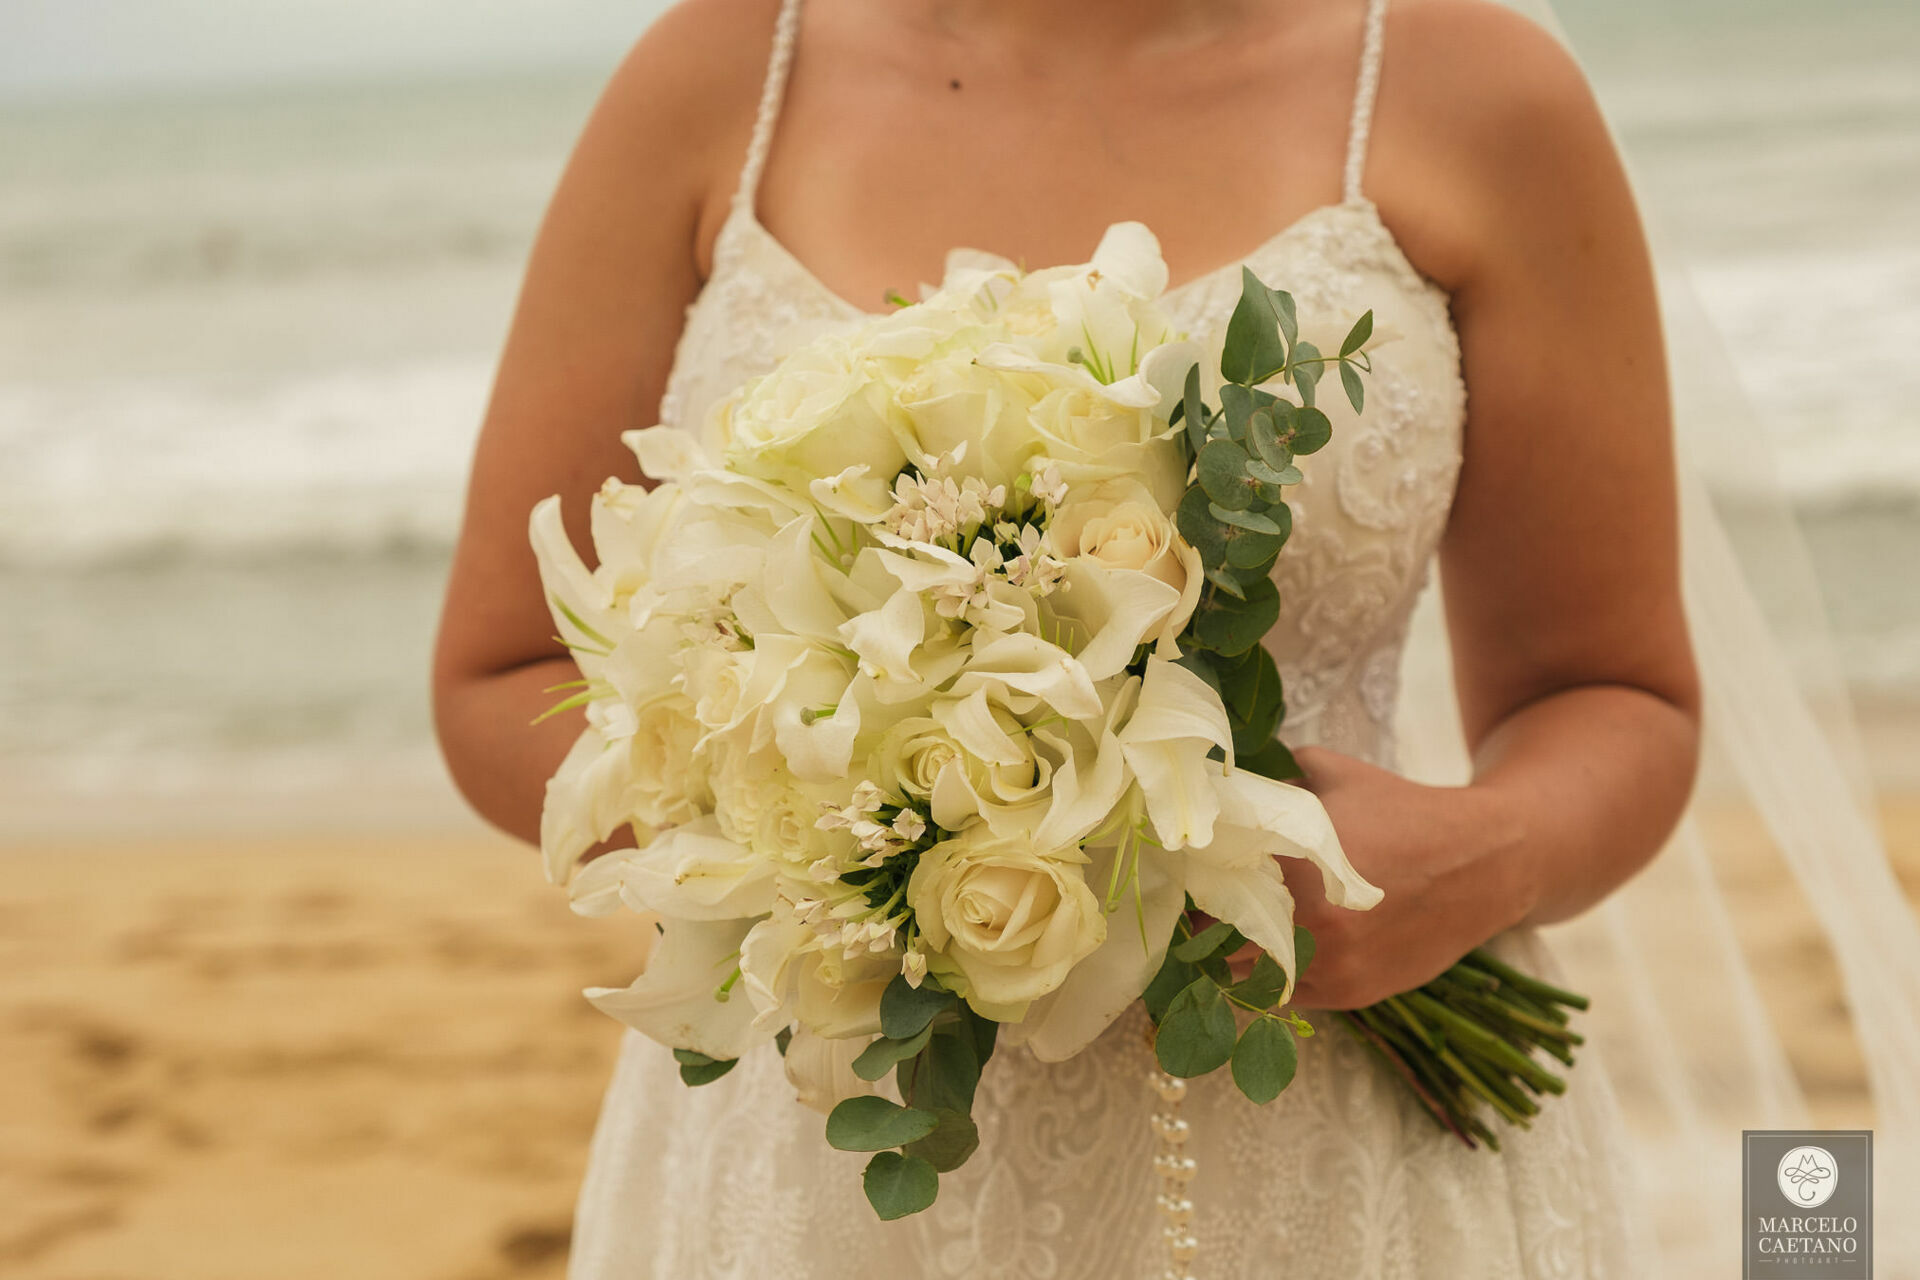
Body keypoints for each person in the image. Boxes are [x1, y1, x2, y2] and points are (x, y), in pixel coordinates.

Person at [433, 0, 1698, 1273]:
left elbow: (1614, 692)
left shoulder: (1473, 88)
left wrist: (1481, 856)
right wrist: (835, 826)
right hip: (832, 1150)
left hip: (1334, 1131)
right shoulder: (720, 74)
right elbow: (500, 676)